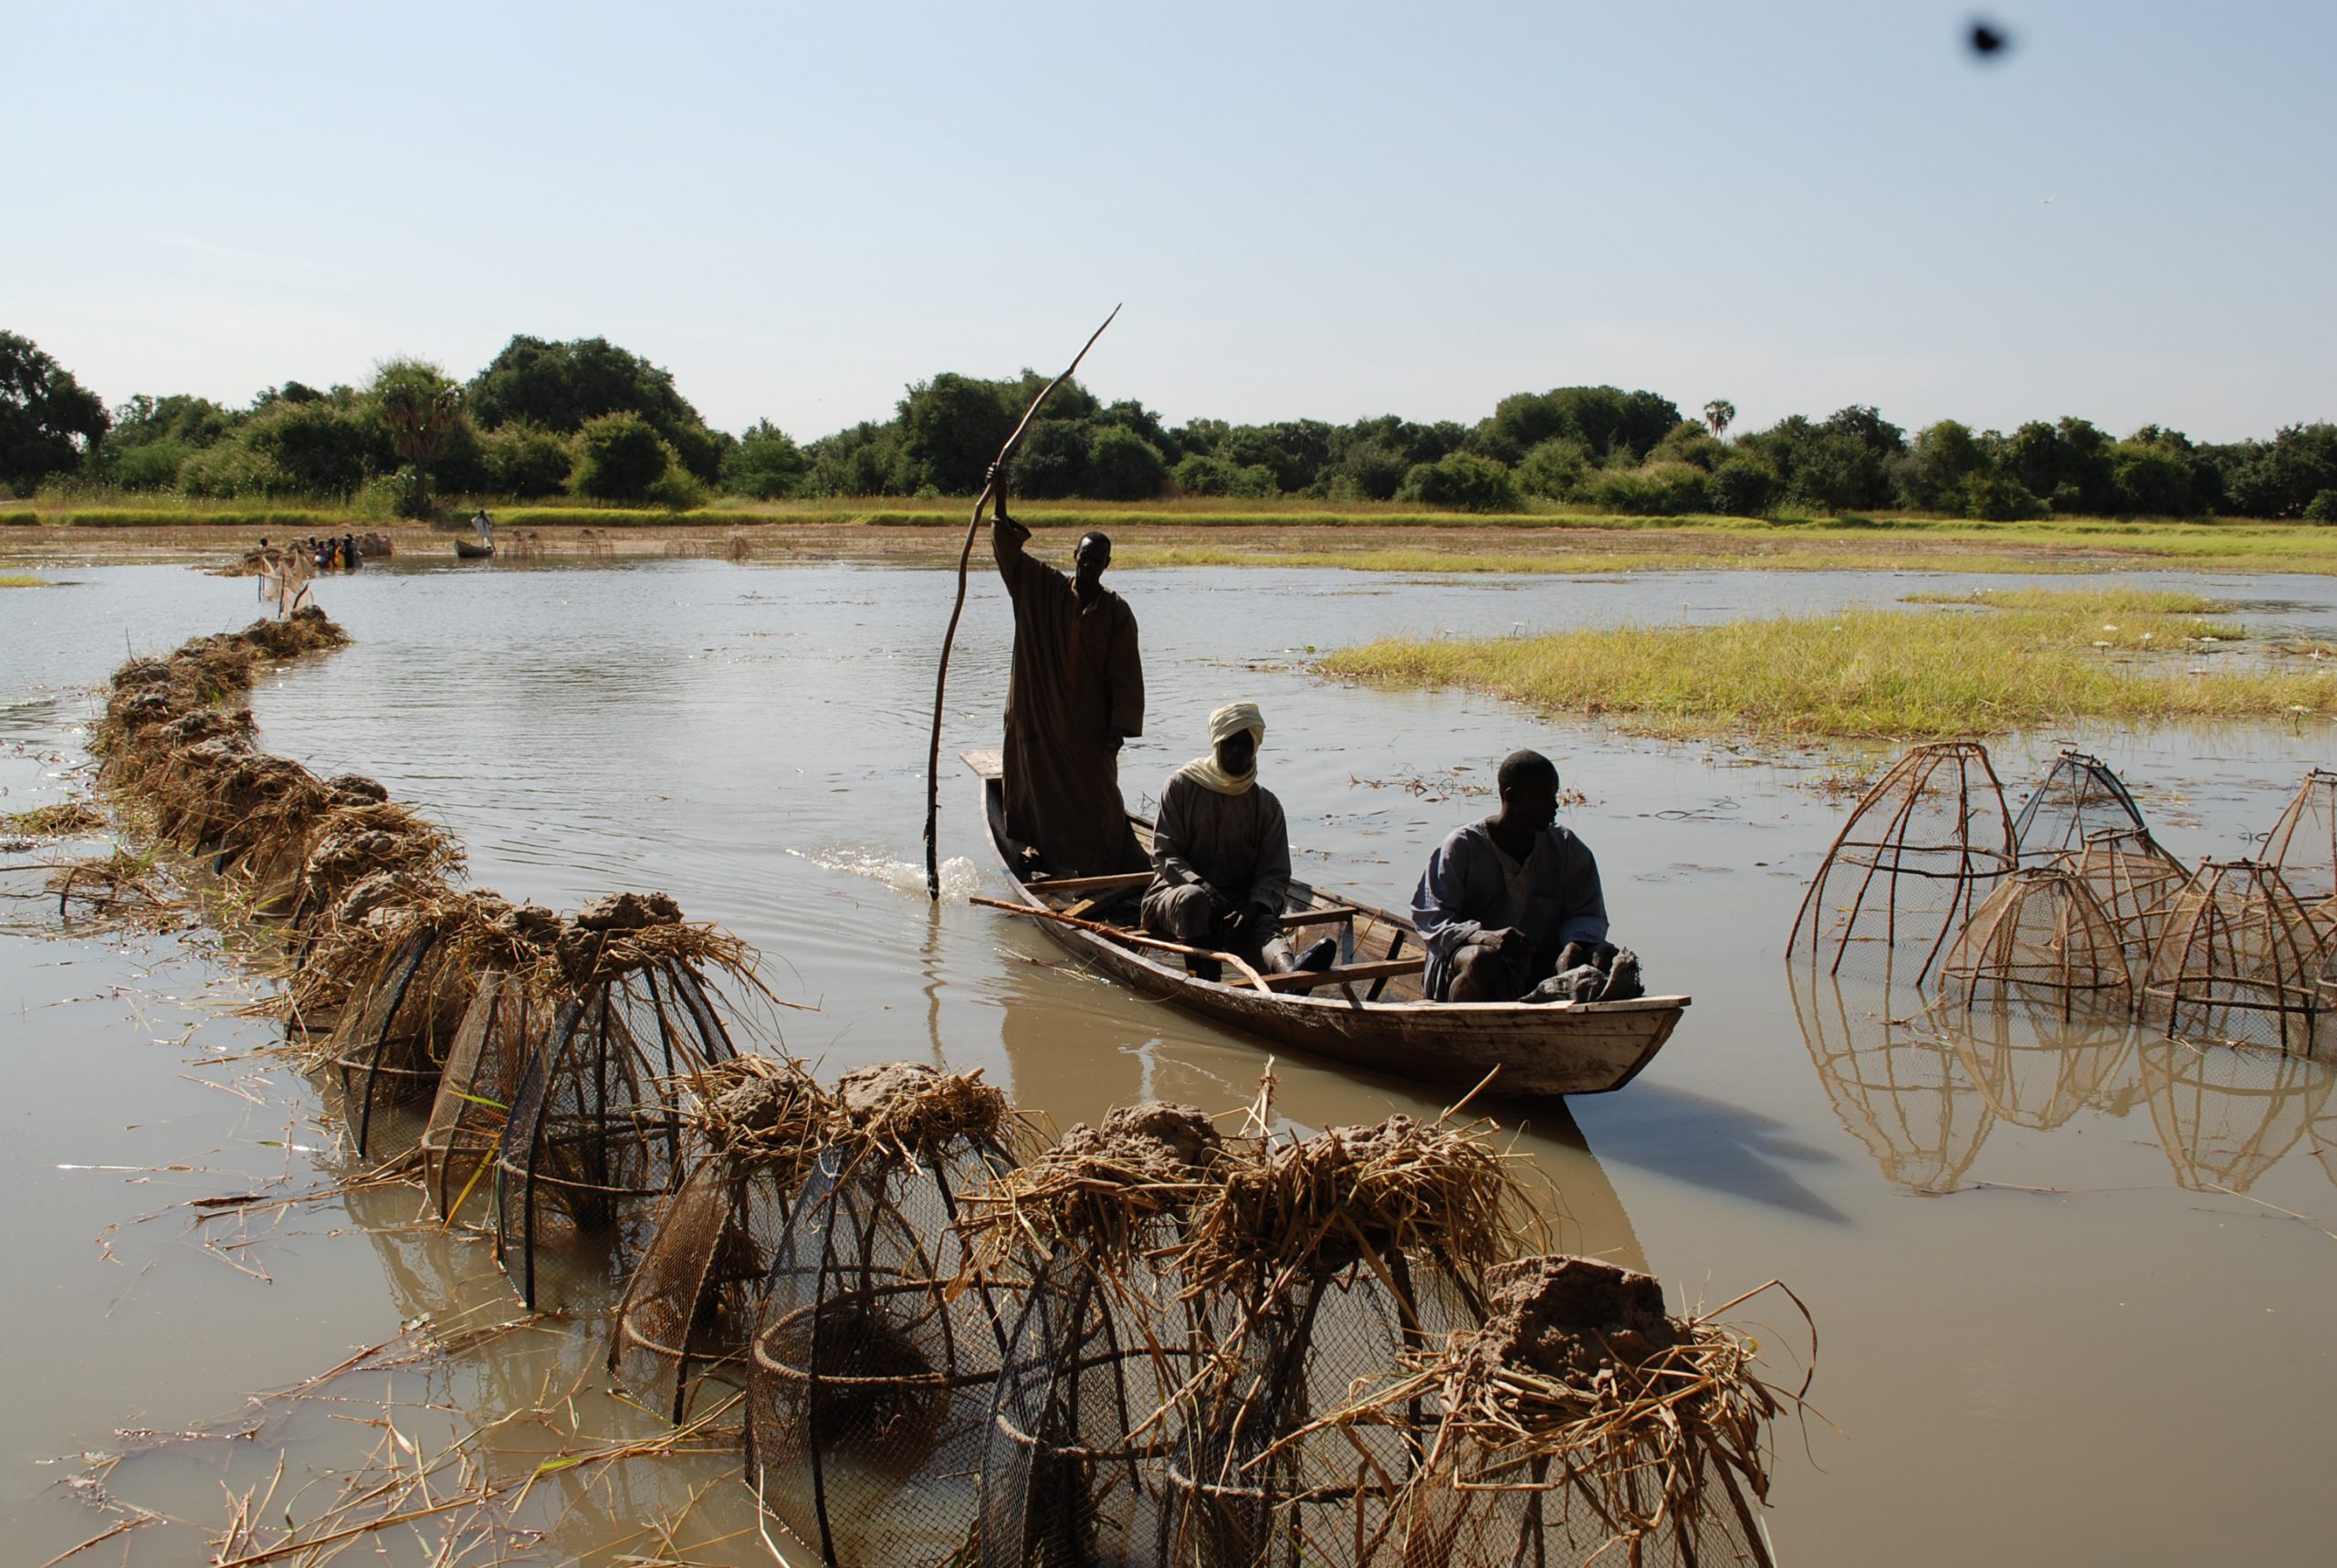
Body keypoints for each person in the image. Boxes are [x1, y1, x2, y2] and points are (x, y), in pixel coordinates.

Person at [990, 463, 1145, 876]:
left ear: (1107, 564)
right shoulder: (1045, 591)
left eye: (1097, 561)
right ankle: (1040, 852)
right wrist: (1000, 496)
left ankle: (1106, 859)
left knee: (1098, 795)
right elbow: (1010, 555)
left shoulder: (1115, 613)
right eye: (1084, 557)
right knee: (1035, 786)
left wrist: (1118, 727)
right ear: (1074, 556)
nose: (1088, 566)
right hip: (1041, 718)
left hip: (1088, 727)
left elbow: (1126, 674)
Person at [1141, 702, 1337, 982]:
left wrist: (1254, 907)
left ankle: (1291, 976)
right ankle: (1204, 980)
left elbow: (1274, 872)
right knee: (1193, 900)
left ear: (1254, 748)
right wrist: (1201, 885)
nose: (1237, 752)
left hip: (1238, 903)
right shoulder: (1181, 786)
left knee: (1264, 923)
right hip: (1174, 894)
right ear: (1216, 744)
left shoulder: (1266, 805)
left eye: (1244, 746)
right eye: (1229, 744)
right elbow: (1163, 854)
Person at [1412, 749, 1624, 1002]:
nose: (1555, 805)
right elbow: (1432, 920)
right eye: (1545, 797)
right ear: (1512, 797)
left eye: (1554, 795)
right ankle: (1461, 1032)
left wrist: (1576, 942)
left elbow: (1586, 912)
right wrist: (1484, 936)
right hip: (1465, 967)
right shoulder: (1462, 846)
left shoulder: (1565, 846)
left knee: (1603, 954)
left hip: (1534, 963)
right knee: (1482, 959)